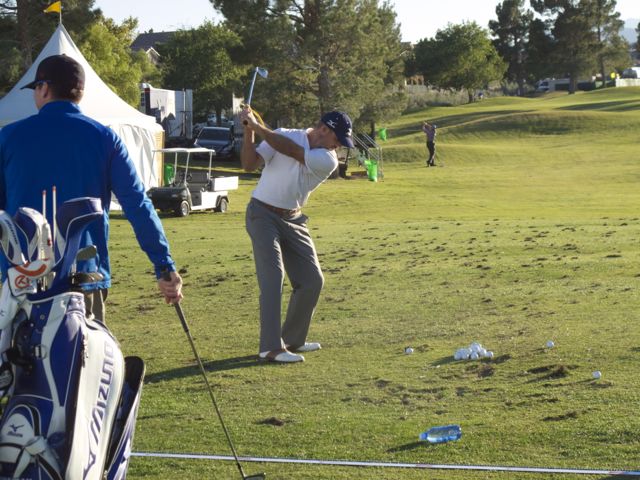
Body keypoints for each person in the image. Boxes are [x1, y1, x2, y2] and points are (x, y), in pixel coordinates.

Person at [0, 54, 183, 321]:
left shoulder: (8, 137)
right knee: (85, 348)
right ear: (80, 93)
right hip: (83, 276)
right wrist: (164, 265)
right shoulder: (105, 138)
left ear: (44, 88)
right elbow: (138, 206)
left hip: (20, 280)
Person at [239, 106, 354, 363]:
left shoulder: (328, 159)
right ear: (323, 129)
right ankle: (270, 348)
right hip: (261, 214)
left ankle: (292, 340)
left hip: (293, 218)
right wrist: (249, 132)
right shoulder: (283, 133)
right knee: (273, 278)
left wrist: (258, 127)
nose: (338, 146)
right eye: (337, 139)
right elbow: (248, 164)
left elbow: (292, 151)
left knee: (312, 280)